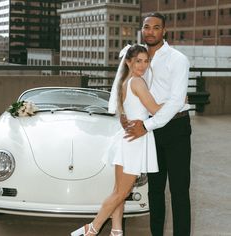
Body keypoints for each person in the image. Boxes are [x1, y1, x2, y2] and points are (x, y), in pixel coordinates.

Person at [70, 44, 163, 236]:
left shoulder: (125, 82)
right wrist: (178, 102)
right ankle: (92, 228)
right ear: (128, 62)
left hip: (127, 140)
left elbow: (127, 112)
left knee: (118, 191)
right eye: (138, 61)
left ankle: (116, 231)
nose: (143, 66)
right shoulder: (137, 82)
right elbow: (155, 110)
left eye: (146, 61)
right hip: (134, 143)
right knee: (120, 193)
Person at [122, 13, 192, 236]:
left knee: (179, 191)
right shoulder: (137, 58)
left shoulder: (177, 59)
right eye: (146, 27)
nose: (150, 31)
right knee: (154, 191)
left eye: (156, 27)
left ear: (164, 31)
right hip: (150, 129)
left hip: (175, 129)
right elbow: (126, 86)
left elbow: (176, 100)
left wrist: (148, 125)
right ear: (142, 29)